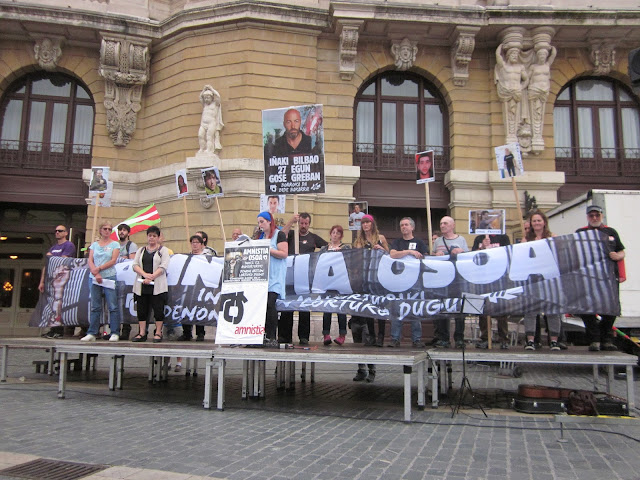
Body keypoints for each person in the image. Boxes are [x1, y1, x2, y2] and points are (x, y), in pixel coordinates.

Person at [576, 205, 626, 352]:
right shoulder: (580, 233)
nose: (594, 218)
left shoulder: (611, 232)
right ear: (587, 217)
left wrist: (617, 256)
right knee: (586, 309)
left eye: (597, 215)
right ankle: (594, 338)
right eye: (591, 215)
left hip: (609, 277)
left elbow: (622, 251)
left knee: (611, 309)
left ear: (601, 216)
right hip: (588, 277)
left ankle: (606, 339)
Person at [279, 212, 328, 345]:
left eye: (306, 223)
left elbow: (327, 247)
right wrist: (291, 221)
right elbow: (280, 236)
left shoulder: (313, 238)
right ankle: (284, 336)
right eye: (301, 223)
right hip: (290, 276)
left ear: (309, 224)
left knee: (304, 306)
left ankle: (304, 336)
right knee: (287, 305)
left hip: (305, 277)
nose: (303, 226)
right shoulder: (292, 235)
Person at [522, 209, 561, 351]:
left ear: (544, 222)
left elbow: (559, 255)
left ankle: (554, 341)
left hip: (549, 278)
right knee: (531, 310)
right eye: (534, 221)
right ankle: (530, 340)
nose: (537, 223)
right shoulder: (526, 239)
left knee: (552, 309)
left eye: (539, 220)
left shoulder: (553, 237)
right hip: (532, 279)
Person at [388, 217, 428, 348]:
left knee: (415, 310)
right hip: (399, 281)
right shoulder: (397, 242)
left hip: (415, 281)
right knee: (397, 310)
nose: (404, 227)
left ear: (412, 227)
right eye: (401, 225)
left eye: (406, 225)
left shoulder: (419, 242)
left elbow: (426, 257)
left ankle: (416, 339)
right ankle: (395, 338)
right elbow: (392, 254)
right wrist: (409, 252)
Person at [352, 214, 389, 347]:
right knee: (368, 307)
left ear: (372, 224)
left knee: (380, 306)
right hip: (365, 276)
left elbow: (389, 255)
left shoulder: (380, 238)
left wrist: (382, 249)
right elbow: (356, 258)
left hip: (379, 276)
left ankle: (381, 336)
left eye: (368, 222)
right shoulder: (359, 241)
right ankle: (371, 335)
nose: (366, 225)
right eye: (363, 223)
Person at [81, 221, 121, 341]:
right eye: (105, 229)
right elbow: (90, 260)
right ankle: (92, 332)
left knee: (112, 305)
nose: (107, 231)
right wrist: (96, 272)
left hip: (109, 276)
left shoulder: (115, 244)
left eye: (109, 229)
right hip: (94, 277)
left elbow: (113, 260)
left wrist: (99, 269)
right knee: (95, 306)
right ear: (100, 230)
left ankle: (114, 332)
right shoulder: (94, 245)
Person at [433, 216, 469, 348]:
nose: (442, 225)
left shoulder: (461, 239)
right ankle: (444, 338)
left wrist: (461, 251)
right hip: (442, 279)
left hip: (457, 279)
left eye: (445, 223)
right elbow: (432, 257)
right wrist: (436, 255)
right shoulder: (438, 241)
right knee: (443, 308)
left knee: (459, 309)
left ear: (452, 225)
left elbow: (468, 257)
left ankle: (459, 338)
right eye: (441, 223)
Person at [131, 226, 171, 343]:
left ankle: (158, 332)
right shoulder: (141, 250)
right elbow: (135, 265)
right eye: (150, 236)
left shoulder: (163, 250)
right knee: (141, 309)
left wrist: (152, 276)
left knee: (158, 309)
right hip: (142, 285)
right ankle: (142, 332)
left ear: (158, 237)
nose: (151, 238)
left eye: (154, 236)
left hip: (157, 285)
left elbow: (163, 266)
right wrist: (144, 275)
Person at [472, 233, 511, 349]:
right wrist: (482, 247)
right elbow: (473, 256)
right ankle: (485, 338)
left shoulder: (503, 237)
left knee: (501, 310)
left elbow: (507, 254)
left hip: (499, 277)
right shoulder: (479, 238)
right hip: (483, 278)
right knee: (483, 311)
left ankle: (503, 339)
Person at [255, 211, 288, 347]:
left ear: (269, 221)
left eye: (262, 221)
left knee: (270, 303)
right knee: (262, 306)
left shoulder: (279, 235)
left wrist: (269, 250)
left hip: (275, 275)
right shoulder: (260, 236)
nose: (260, 225)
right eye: (258, 222)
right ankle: (261, 335)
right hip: (263, 276)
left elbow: (284, 253)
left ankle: (272, 336)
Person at [39, 225, 75, 338]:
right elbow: (47, 264)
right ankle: (53, 328)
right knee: (51, 304)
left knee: (59, 304)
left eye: (60, 231)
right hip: (50, 278)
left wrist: (51, 256)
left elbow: (62, 260)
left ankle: (59, 330)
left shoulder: (68, 245)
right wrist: (42, 281)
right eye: (56, 231)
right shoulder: (53, 247)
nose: (57, 233)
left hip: (61, 278)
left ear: (66, 233)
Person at [319, 225, 350, 346]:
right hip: (327, 281)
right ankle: (326, 334)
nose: (335, 235)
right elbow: (319, 262)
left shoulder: (345, 248)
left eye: (338, 233)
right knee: (327, 308)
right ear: (330, 234)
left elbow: (349, 261)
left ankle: (342, 335)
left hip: (340, 281)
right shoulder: (324, 248)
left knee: (340, 308)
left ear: (341, 236)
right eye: (333, 233)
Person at [178, 235, 208, 341]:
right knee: (186, 308)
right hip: (188, 286)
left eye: (197, 242)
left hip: (200, 287)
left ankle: (200, 333)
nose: (195, 245)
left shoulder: (205, 257)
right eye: (193, 242)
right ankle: (186, 332)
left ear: (201, 245)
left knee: (199, 309)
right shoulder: (187, 257)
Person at [115, 223, 137, 340]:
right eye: (120, 230)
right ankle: (115, 329)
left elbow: (132, 260)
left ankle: (126, 329)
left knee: (124, 304)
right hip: (116, 278)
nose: (121, 232)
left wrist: (121, 259)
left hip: (126, 279)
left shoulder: (131, 245)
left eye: (124, 230)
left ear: (128, 233)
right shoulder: (115, 245)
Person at [197, 85, 224, 154]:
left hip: (211, 123)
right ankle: (202, 148)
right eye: (205, 98)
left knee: (209, 137)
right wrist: (204, 90)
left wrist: (211, 89)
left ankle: (209, 150)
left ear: (211, 97)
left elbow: (218, 96)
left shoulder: (215, 104)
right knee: (200, 135)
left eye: (208, 97)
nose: (206, 99)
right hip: (203, 124)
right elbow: (200, 97)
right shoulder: (205, 105)